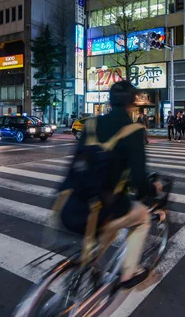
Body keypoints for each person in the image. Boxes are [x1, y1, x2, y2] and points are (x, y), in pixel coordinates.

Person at [58, 80, 161, 289]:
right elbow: (139, 180)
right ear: (133, 104)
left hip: (72, 208)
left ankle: (89, 262)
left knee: (110, 224)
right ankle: (128, 273)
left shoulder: (90, 125)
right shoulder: (134, 130)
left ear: (109, 101)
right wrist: (153, 189)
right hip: (105, 210)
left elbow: (76, 167)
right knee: (141, 218)